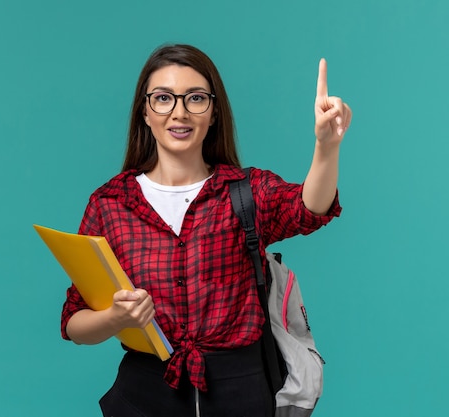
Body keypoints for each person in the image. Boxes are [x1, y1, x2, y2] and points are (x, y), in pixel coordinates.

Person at [60, 43, 352, 417]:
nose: (179, 112)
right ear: (144, 112)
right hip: (144, 392)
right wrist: (116, 319)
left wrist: (326, 147)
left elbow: (309, 208)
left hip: (241, 391)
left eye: (195, 98)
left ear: (213, 112)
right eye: (163, 98)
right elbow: (74, 320)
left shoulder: (246, 192)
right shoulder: (110, 204)